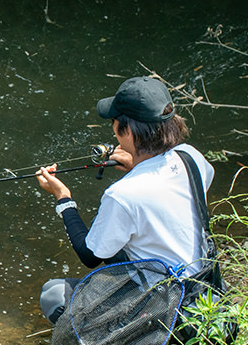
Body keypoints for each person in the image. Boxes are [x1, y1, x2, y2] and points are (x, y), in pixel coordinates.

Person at [35, 76, 215, 326]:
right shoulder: (191, 158)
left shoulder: (123, 195)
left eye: (114, 122)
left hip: (167, 311)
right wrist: (137, 166)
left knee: (53, 295)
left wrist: (62, 197)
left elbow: (90, 256)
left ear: (128, 132)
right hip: (205, 294)